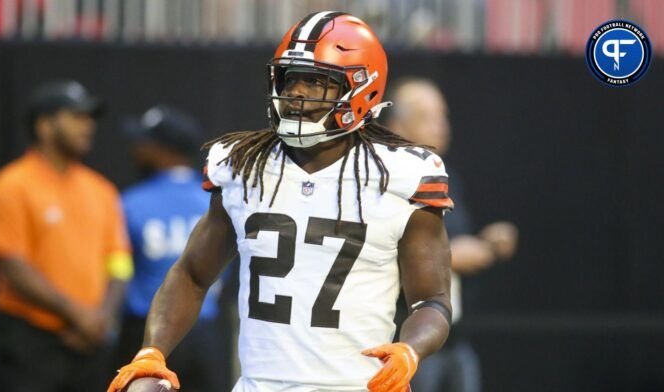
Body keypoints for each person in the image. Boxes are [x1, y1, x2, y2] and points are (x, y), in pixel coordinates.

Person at [109, 12, 453, 392]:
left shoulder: (400, 174)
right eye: (291, 78)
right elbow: (193, 274)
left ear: (361, 88)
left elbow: (431, 303)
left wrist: (410, 350)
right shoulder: (242, 165)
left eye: (317, 81)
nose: (297, 93)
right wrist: (151, 352)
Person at [0, 80, 133, 392]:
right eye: (76, 117)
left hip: (91, 341)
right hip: (32, 340)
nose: (88, 126)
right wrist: (78, 316)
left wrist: (101, 319)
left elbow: (119, 261)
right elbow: (11, 265)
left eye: (90, 118)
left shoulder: (100, 189)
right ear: (45, 126)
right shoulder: (11, 185)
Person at [386, 78, 519, 392]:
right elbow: (381, 252)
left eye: (442, 116)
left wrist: (488, 242)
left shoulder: (446, 178)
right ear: (396, 125)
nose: (440, 126)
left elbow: (454, 239)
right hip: (406, 340)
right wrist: (450, 258)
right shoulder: (384, 181)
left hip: (454, 336)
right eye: (426, 117)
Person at [115, 105, 230, 392]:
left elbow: (116, 267)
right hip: (205, 331)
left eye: (145, 143)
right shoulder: (215, 200)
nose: (136, 149)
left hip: (150, 333)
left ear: (164, 150)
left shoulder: (130, 202)